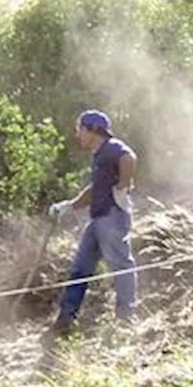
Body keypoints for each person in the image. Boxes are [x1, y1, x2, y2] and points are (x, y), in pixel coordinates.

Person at [49, 110, 138, 331]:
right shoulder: (100, 155)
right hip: (98, 219)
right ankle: (66, 319)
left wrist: (123, 187)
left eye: (80, 129)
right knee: (80, 268)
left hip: (111, 218)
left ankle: (126, 320)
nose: (78, 135)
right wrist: (69, 206)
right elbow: (94, 190)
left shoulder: (112, 147)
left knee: (120, 265)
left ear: (92, 130)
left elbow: (129, 158)